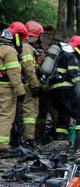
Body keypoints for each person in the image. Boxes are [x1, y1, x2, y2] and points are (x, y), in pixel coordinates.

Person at [49, 36, 80, 141]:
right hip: (66, 92)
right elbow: (74, 74)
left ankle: (60, 141)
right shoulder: (71, 56)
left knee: (63, 118)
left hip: (55, 92)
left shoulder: (61, 55)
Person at [0, 22, 26, 153]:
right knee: (5, 114)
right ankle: (3, 145)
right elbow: (14, 74)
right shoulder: (9, 51)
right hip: (5, 88)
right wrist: (20, 92)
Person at [17, 21, 43, 148]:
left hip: (24, 84)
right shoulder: (27, 48)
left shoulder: (24, 46)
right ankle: (28, 139)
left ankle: (24, 138)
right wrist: (35, 85)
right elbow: (28, 67)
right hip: (27, 86)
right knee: (29, 112)